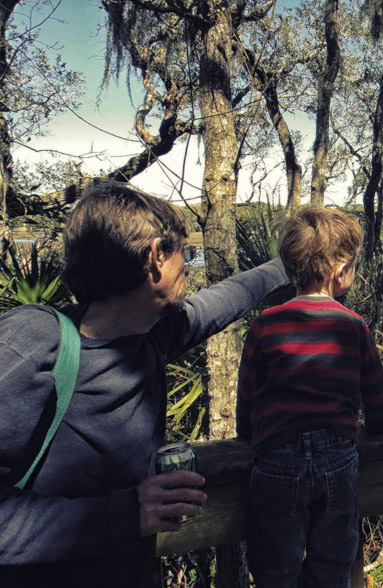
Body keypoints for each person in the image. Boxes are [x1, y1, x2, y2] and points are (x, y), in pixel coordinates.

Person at [0, 181, 290, 588]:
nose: (189, 267)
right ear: (155, 257)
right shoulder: (31, 343)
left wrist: (292, 261)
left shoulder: (154, 334)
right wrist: (128, 513)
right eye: (184, 254)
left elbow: (228, 298)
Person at [236, 207, 383, 588]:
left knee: (274, 569)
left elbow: (248, 395)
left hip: (276, 460)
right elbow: (375, 395)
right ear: (340, 271)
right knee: (332, 564)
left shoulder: (264, 325)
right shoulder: (353, 326)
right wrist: (378, 426)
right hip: (338, 459)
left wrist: (246, 434)